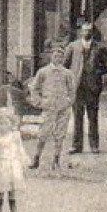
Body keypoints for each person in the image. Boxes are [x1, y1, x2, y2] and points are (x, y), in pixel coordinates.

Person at [26, 44, 75, 175]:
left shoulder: (67, 73)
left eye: (61, 56)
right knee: (43, 133)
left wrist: (69, 101)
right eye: (55, 55)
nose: (58, 58)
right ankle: (36, 158)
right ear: (51, 57)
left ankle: (56, 159)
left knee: (60, 134)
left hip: (63, 107)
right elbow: (34, 88)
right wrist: (39, 102)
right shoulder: (43, 72)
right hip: (48, 106)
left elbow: (72, 90)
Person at [65, 23, 107, 154]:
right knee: (77, 117)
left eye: (89, 31)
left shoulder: (100, 48)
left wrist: (96, 72)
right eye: (85, 30)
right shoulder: (73, 47)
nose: (87, 33)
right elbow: (65, 66)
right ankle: (76, 145)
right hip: (77, 87)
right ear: (81, 32)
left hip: (92, 87)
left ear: (93, 32)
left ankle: (94, 145)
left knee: (93, 117)